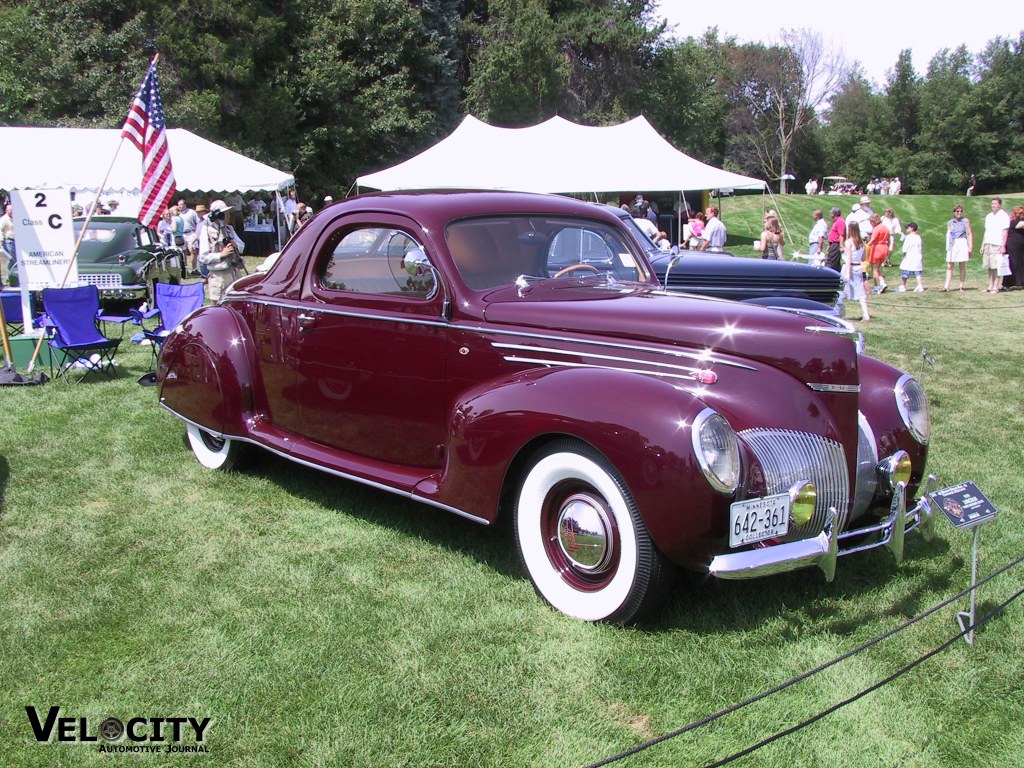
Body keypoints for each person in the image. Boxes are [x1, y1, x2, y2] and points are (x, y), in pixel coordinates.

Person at [199, 199, 245, 302]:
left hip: (234, 273)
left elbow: (242, 246)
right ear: (218, 216)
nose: (228, 216)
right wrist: (221, 255)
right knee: (219, 307)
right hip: (219, 276)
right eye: (226, 214)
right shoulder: (206, 231)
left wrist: (235, 245)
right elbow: (203, 257)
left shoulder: (229, 229)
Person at [841, 220, 870, 322]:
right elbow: (863, 258)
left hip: (849, 268)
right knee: (860, 292)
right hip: (858, 268)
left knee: (842, 292)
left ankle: (839, 314)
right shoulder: (861, 243)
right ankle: (866, 315)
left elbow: (848, 258)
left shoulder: (848, 242)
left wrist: (847, 273)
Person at [981, 197, 1010, 293]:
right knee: (989, 266)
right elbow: (986, 231)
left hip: (997, 244)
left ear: (1000, 205)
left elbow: (1005, 232)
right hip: (988, 243)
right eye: (992, 203)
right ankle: (990, 285)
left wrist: (1003, 246)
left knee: (996, 266)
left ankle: (995, 287)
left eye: (995, 203)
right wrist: (983, 244)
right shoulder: (989, 216)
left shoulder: (1004, 216)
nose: (993, 205)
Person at [943, 204, 973, 292]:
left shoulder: (965, 221)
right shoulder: (950, 222)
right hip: (953, 243)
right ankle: (946, 286)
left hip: (962, 242)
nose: (959, 213)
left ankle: (961, 285)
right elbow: (948, 234)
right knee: (949, 265)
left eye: (961, 211)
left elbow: (969, 233)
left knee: (962, 265)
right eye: (957, 211)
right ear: (954, 212)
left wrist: (970, 246)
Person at [866, 213, 890, 293]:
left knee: (875, 269)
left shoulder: (876, 229)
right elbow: (888, 240)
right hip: (884, 248)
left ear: (873, 221)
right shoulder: (885, 228)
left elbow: (873, 240)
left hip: (877, 248)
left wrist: (866, 246)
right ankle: (882, 283)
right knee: (878, 268)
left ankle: (876, 287)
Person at [897, 222, 924, 293]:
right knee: (917, 272)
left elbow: (905, 248)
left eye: (908, 227)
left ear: (912, 228)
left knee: (905, 271)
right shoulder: (918, 237)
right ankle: (920, 285)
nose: (907, 229)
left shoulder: (908, 237)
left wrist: (903, 255)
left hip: (909, 257)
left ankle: (903, 286)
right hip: (917, 256)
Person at [177, 199, 200, 275]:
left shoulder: (192, 212)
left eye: (181, 204)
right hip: (181, 234)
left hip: (191, 233)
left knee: (193, 250)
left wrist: (197, 234)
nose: (180, 206)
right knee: (182, 252)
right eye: (179, 205)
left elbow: (198, 223)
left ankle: (194, 269)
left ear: (185, 204)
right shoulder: (177, 214)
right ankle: (185, 269)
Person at [1005, 205, 1024, 290]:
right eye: (1020, 213)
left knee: (1020, 264)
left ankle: (1020, 282)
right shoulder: (1013, 222)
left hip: (1020, 247)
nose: (1022, 215)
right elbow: (1019, 225)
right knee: (1012, 264)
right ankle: (1007, 283)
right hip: (1012, 247)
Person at [825, 206, 846, 272]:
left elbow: (841, 235)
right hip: (833, 244)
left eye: (831, 213)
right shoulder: (837, 221)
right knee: (836, 264)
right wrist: (830, 244)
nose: (830, 214)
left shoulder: (840, 222)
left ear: (833, 214)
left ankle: (827, 276)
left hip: (836, 245)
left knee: (830, 262)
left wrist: (841, 246)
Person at [1, 203, 15, 284]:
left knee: (16, 259)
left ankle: (14, 275)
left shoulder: (14, 218)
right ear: (6, 211)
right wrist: (1, 241)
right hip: (8, 241)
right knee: (12, 259)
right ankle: (10, 276)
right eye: (11, 210)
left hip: (16, 240)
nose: (12, 212)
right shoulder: (3, 219)